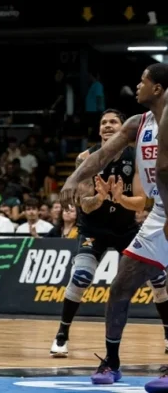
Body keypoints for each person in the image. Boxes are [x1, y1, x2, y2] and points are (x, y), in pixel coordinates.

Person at [61, 63, 168, 386]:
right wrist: (74, 176)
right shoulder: (139, 123)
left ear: (159, 89)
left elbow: (164, 169)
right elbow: (102, 155)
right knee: (121, 286)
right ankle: (111, 361)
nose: (137, 86)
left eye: (143, 81)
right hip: (161, 210)